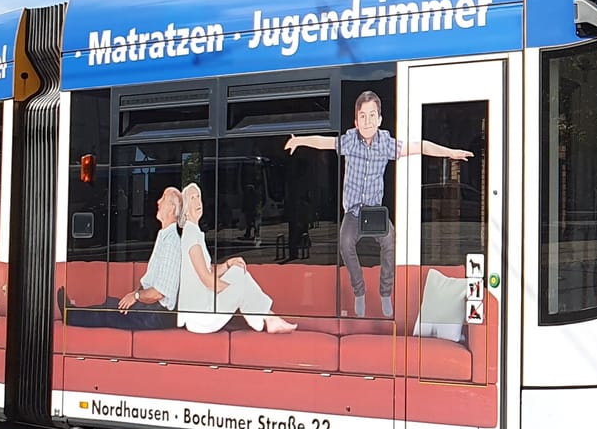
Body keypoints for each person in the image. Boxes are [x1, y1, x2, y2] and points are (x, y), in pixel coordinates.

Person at [285, 91, 473, 317]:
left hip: (374, 213)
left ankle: (385, 293)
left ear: (380, 119)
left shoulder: (386, 144)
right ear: (356, 121)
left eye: (372, 116)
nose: (367, 121)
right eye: (362, 117)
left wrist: (450, 153)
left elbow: (420, 146)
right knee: (345, 245)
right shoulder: (349, 141)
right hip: (354, 213)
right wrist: (299, 141)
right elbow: (323, 142)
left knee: (390, 241)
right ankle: (360, 292)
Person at [174, 183, 298, 335]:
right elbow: (206, 279)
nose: (197, 202)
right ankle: (270, 318)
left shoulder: (194, 232)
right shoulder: (191, 235)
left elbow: (208, 269)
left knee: (238, 270)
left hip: (202, 310)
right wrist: (236, 290)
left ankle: (269, 318)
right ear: (185, 209)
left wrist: (227, 264)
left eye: (198, 196)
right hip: (200, 317)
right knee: (240, 281)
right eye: (192, 198)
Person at [59, 187, 185, 330]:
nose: (158, 202)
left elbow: (159, 293)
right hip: (151, 309)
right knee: (111, 305)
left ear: (171, 208)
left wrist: (136, 296)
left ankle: (70, 315)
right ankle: (71, 311)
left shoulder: (171, 243)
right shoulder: (164, 237)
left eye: (163, 198)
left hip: (156, 314)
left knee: (110, 313)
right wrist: (135, 296)